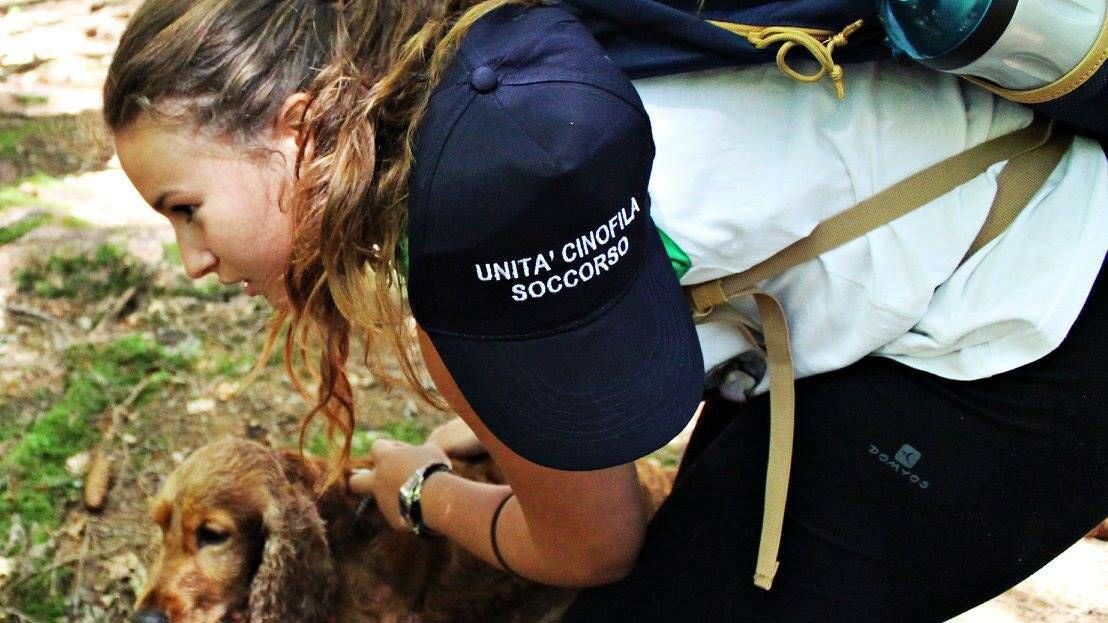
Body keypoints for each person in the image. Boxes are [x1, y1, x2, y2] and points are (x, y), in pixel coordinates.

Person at [104, 0, 1107, 620]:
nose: (191, 262)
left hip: (1034, 324)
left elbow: (593, 543)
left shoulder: (473, 223)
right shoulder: (462, 58)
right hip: (982, 216)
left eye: (185, 210)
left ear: (297, 128)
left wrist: (424, 495)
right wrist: (513, 414)